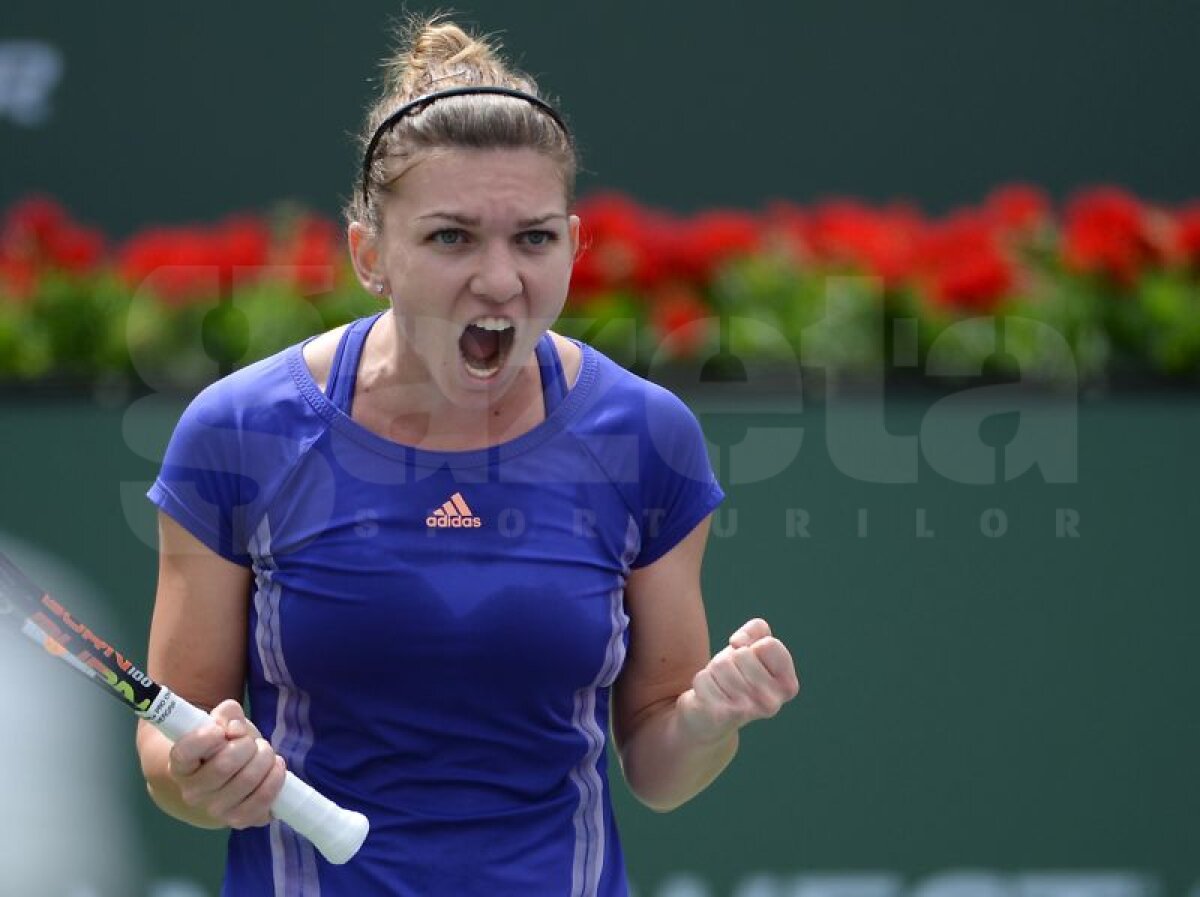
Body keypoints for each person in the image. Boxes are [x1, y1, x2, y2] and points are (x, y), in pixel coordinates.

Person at [135, 16, 800, 896]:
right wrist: (205, 775)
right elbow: (166, 746)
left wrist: (710, 719)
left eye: (534, 238)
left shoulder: (648, 436)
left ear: (572, 241)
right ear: (371, 255)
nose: (499, 279)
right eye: (451, 237)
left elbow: (656, 760)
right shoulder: (238, 432)